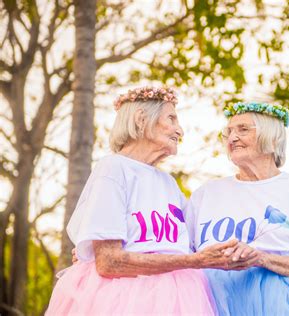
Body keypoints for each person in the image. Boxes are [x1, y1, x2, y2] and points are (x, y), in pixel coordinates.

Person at [46, 87, 242, 315]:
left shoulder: (168, 182)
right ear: (141, 119)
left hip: (180, 299)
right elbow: (109, 262)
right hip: (120, 300)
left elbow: (194, 238)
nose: (180, 130)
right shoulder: (114, 168)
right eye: (171, 118)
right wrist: (195, 261)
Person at [185, 101, 289, 315]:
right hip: (213, 305)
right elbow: (184, 258)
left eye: (243, 129)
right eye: (228, 132)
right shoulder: (205, 194)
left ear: (272, 138)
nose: (232, 138)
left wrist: (262, 258)